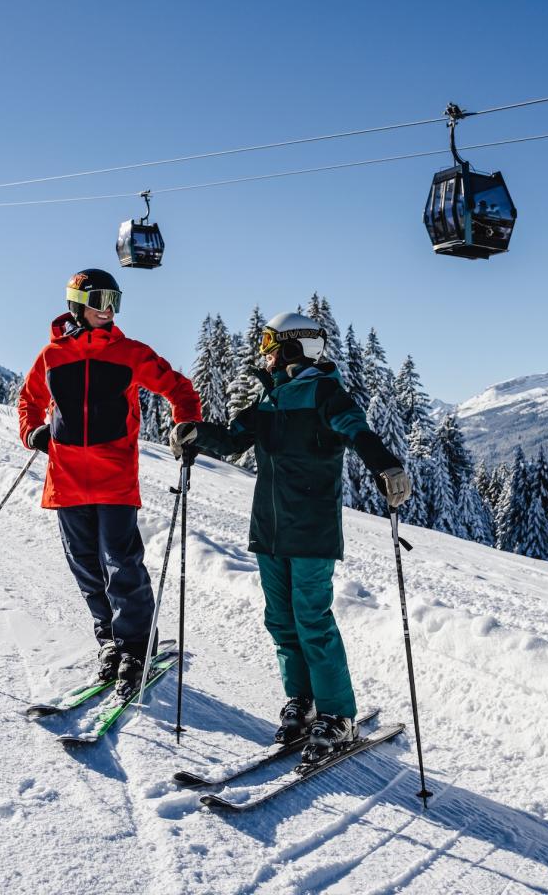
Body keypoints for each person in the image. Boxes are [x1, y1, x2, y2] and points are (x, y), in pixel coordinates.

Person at [173, 311, 410, 763]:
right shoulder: (268, 402)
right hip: (269, 529)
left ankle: (337, 714)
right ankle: (301, 702)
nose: (262, 352)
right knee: (281, 621)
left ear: (291, 348)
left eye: (269, 343)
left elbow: (358, 433)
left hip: (312, 530)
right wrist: (195, 433)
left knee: (312, 620)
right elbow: (229, 441)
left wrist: (386, 465)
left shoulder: (325, 393)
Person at [18, 268, 201, 698]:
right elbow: (30, 400)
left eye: (114, 302)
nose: (108, 311)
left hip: (114, 477)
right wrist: (33, 433)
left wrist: (186, 424)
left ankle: (136, 647)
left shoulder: (130, 352)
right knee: (85, 566)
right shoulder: (52, 355)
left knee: (122, 564)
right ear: (77, 305)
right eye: (100, 301)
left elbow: (179, 389)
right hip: (65, 480)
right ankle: (109, 643)